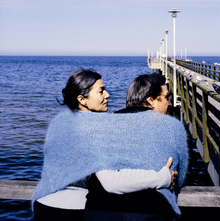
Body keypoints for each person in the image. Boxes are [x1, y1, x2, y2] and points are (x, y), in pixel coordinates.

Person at [33, 70, 179, 221]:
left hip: (43, 204)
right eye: (101, 91)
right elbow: (111, 182)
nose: (108, 94)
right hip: (70, 211)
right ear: (82, 99)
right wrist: (162, 177)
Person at [85, 73, 188, 219]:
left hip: (100, 211)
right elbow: (179, 178)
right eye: (166, 97)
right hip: (152, 212)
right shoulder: (172, 128)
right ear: (151, 101)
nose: (170, 103)